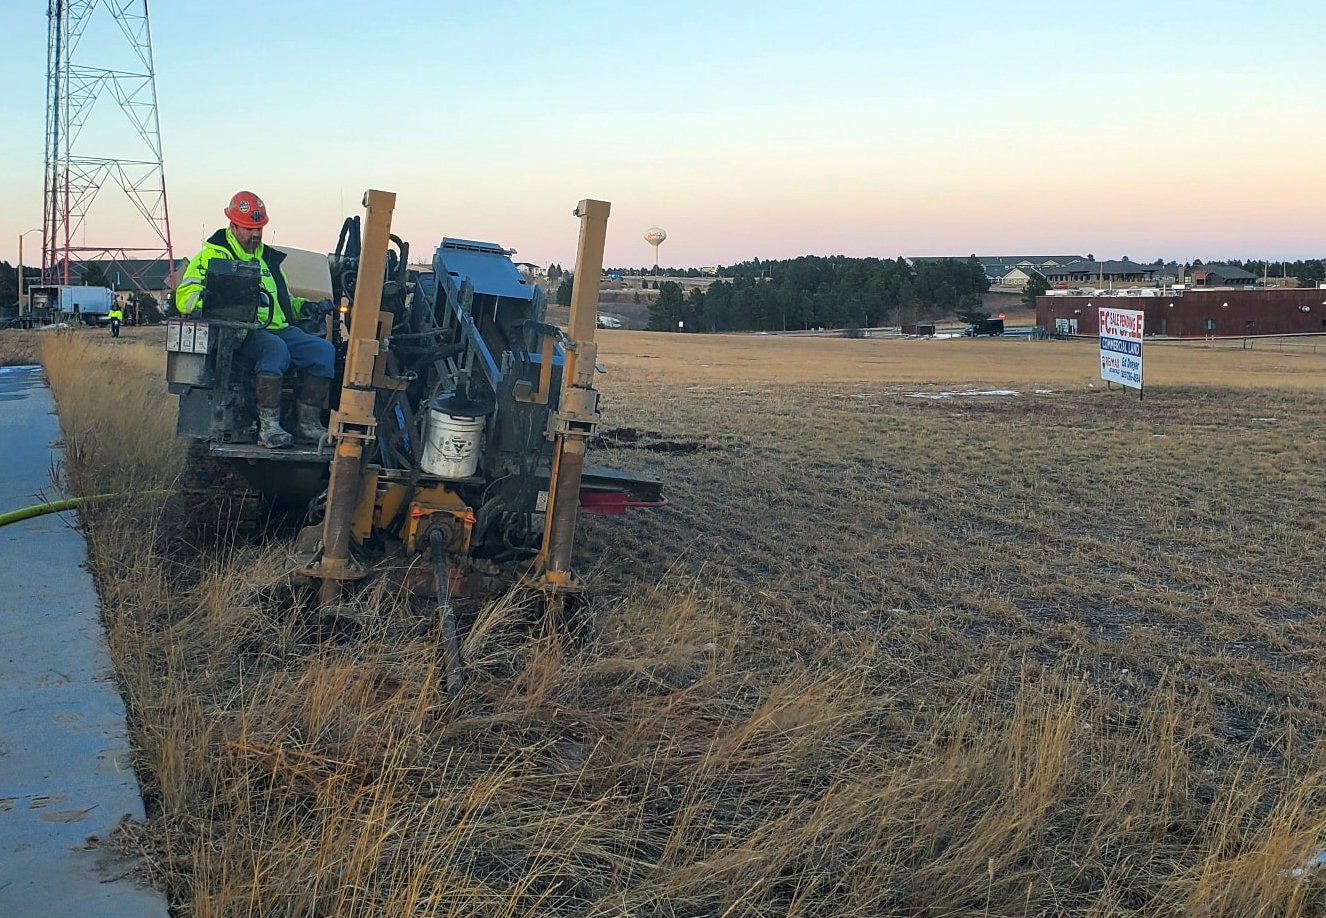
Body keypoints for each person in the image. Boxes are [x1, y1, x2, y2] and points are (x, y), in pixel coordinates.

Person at [175, 191, 335, 448]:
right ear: (233, 225)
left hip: (276, 327)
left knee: (323, 352)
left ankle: (307, 424)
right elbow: (185, 297)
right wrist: (232, 302)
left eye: (259, 228)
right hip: (240, 333)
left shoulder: (267, 259)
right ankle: (269, 428)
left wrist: (306, 307)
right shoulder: (213, 257)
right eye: (250, 229)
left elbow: (283, 300)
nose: (256, 235)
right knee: (275, 349)